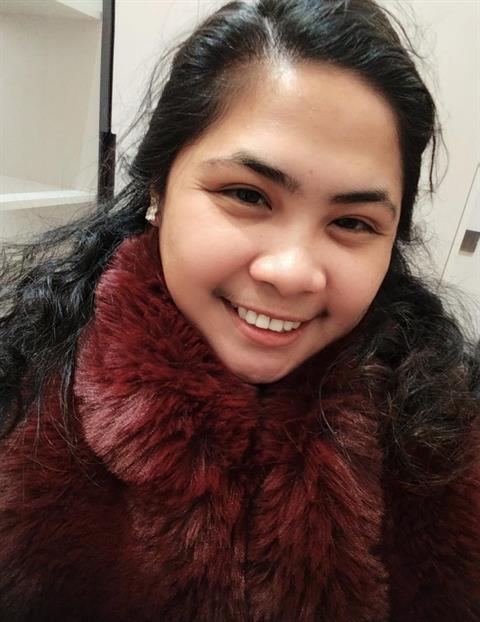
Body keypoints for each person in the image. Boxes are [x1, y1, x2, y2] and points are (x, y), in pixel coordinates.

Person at [0, 0, 479, 620]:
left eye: (353, 222)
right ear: (158, 189)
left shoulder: (445, 440)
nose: (293, 272)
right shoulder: (24, 405)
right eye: (248, 195)